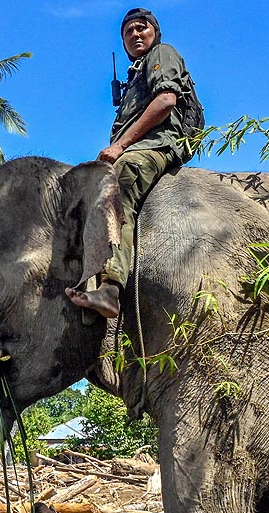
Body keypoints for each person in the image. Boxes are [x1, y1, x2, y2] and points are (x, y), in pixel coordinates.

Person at [67, 8, 203, 319]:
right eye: (128, 31)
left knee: (121, 177)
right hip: (142, 143)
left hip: (160, 143)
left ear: (155, 32)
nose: (135, 34)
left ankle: (111, 287)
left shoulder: (163, 54)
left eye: (142, 28)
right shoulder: (135, 75)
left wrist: (121, 145)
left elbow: (166, 100)